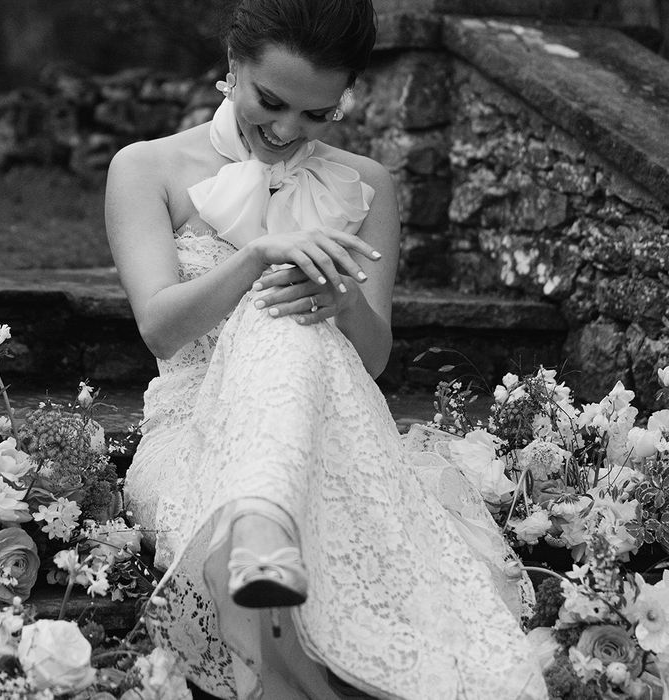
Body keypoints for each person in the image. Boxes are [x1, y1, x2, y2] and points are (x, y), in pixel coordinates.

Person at [105, 1, 548, 698]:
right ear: (233, 65)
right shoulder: (146, 167)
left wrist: (344, 304)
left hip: (336, 430)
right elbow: (161, 328)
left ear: (345, 99)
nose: (287, 132)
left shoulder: (367, 184)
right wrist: (255, 257)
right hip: (196, 433)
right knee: (277, 314)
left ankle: (266, 533)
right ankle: (261, 530)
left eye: (318, 115)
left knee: (295, 321)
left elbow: (372, 361)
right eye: (271, 102)